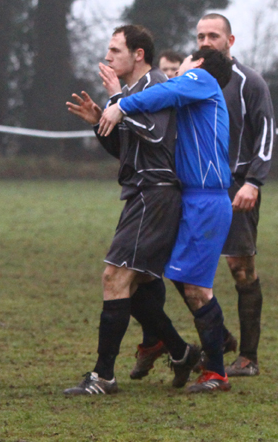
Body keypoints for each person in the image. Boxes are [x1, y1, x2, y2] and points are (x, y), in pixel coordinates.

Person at [63, 25, 201, 396]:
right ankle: (181, 350)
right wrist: (100, 122)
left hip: (155, 193)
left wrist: (117, 99)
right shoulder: (132, 94)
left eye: (115, 50)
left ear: (138, 54)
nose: (107, 57)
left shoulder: (156, 87)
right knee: (133, 285)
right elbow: (127, 150)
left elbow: (156, 136)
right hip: (141, 193)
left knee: (114, 277)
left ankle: (103, 376)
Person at [100, 47, 235, 393]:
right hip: (187, 198)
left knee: (196, 288)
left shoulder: (202, 79)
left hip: (205, 198)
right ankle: (187, 342)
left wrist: (121, 104)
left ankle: (216, 373)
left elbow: (166, 90)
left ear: (199, 64)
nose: (177, 72)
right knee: (152, 276)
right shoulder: (195, 98)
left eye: (184, 64)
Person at [196, 13, 275, 376]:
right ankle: (219, 337)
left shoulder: (250, 83)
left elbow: (266, 135)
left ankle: (249, 357)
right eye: (201, 36)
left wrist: (253, 182)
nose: (206, 42)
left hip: (237, 186)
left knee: (240, 268)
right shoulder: (193, 80)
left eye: (213, 35)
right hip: (198, 187)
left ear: (230, 41)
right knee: (181, 265)